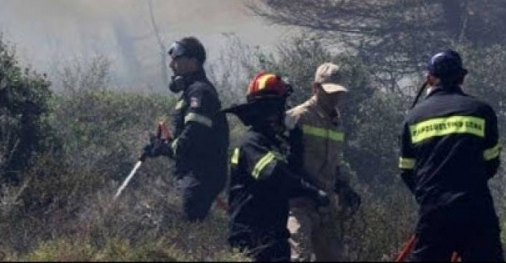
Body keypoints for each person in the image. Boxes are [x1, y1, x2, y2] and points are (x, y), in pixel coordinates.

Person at [398, 50, 504, 262]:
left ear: (428, 79)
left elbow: (406, 170)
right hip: (475, 207)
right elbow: (492, 163)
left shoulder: (413, 117)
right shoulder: (481, 111)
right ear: (462, 78)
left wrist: (428, 195)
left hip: (434, 210)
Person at [224, 71, 331, 262]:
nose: (285, 111)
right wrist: (313, 193)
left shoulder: (271, 143)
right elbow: (276, 176)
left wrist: (296, 144)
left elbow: (292, 171)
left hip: (274, 235)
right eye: (282, 105)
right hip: (252, 238)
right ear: (271, 109)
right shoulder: (251, 144)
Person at [143, 36, 230, 222]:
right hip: (193, 172)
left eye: (176, 60)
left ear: (193, 62)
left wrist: (167, 148)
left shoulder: (200, 92)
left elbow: (193, 135)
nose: (171, 65)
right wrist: (161, 145)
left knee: (182, 225)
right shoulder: (191, 92)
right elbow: (187, 138)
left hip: (201, 174)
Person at [285, 62, 361, 262]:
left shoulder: (337, 123)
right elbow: (285, 162)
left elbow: (336, 160)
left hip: (326, 205)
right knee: (299, 257)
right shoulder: (297, 117)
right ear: (315, 88)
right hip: (298, 204)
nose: (334, 97)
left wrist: (344, 186)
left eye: (338, 92)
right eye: (328, 92)